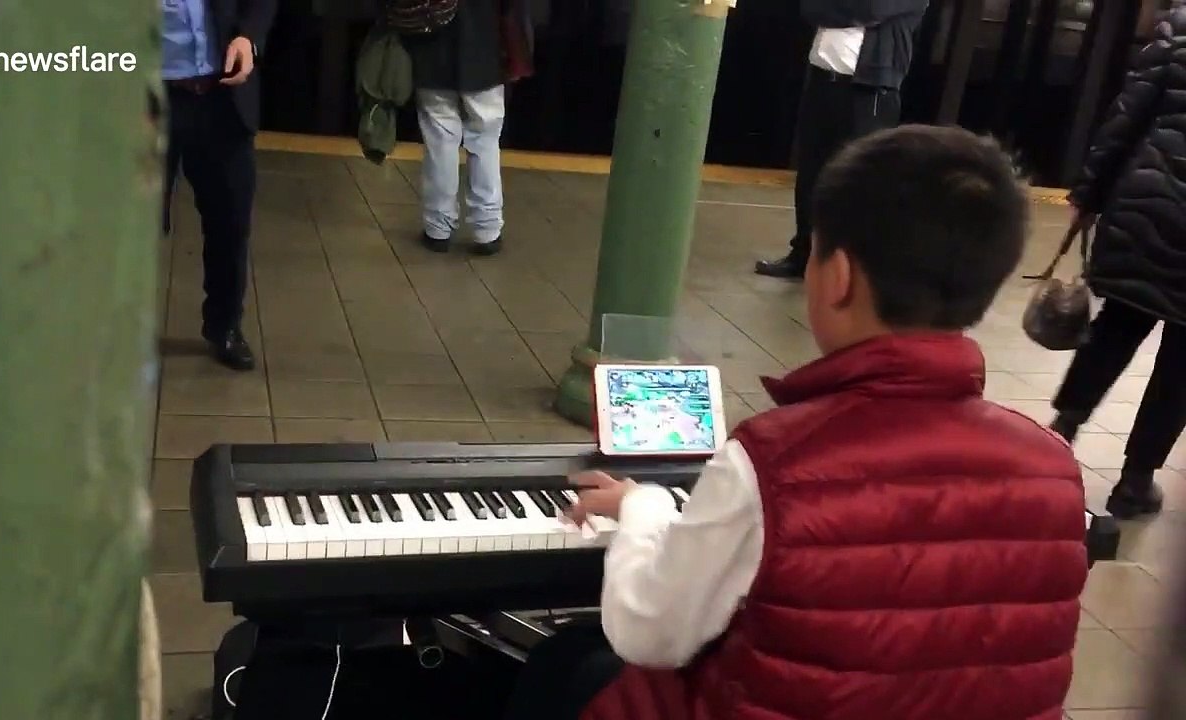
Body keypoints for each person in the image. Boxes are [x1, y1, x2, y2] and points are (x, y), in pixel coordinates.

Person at [503, 126, 1089, 720]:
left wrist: (644, 507)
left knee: (568, 666)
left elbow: (647, 633)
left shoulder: (773, 460)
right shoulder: (1052, 464)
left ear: (837, 277)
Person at [1048, 6, 1186, 519]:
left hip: (1152, 202)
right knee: (1182, 362)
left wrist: (1089, 192)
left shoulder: (1180, 25)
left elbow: (1127, 115)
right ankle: (1136, 480)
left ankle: (1060, 432)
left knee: (1118, 323)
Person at [755, 0, 929, 280]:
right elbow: (810, 8)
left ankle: (850, 264)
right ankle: (804, 254)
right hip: (823, 81)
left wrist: (834, 9)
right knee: (811, 172)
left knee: (859, 180)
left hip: (869, 90)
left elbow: (869, 10)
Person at [161, 0, 276, 371]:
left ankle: (225, 326)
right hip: (146, 100)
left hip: (222, 98)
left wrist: (248, 37)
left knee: (230, 222)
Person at [404, 0, 534, 256]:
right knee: (485, 141)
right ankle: (487, 230)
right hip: (485, 54)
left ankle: (438, 228)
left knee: (440, 142)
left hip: (431, 52)